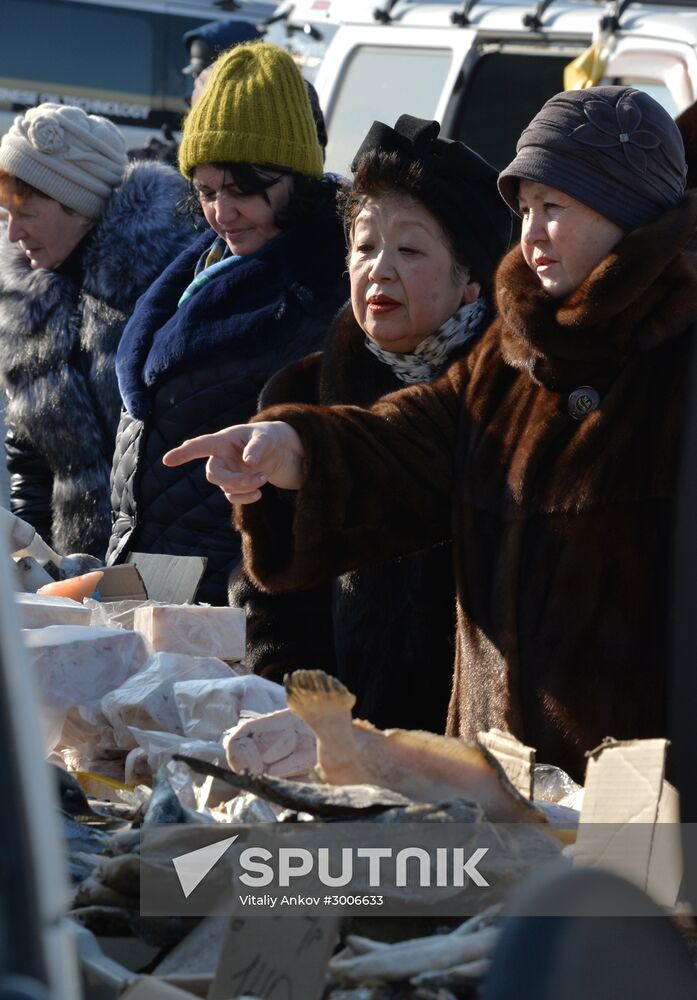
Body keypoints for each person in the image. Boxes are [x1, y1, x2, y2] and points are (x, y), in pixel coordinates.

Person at [164, 86, 697, 781]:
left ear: (623, 212)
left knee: (621, 895)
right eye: (526, 209)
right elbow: (403, 447)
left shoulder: (677, 363)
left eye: (554, 207)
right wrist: (291, 449)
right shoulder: (511, 360)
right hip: (491, 773)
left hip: (640, 787)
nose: (531, 232)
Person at [229, 114, 511, 732]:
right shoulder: (302, 392)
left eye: (409, 249)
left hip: (474, 756)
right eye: (364, 246)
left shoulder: (510, 398)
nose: (379, 270)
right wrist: (300, 709)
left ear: (472, 282)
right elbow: (267, 595)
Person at [107, 42, 348, 605]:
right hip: (151, 575)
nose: (222, 212)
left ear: (298, 177)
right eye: (207, 191)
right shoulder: (205, 259)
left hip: (240, 598)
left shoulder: (325, 289)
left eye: (243, 190)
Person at [0, 103, 195, 558]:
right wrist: (28, 561)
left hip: (164, 571)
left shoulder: (163, 288)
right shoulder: (24, 304)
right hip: (72, 575)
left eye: (26, 213)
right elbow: (29, 455)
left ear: (80, 207)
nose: (12, 234)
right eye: (6, 214)